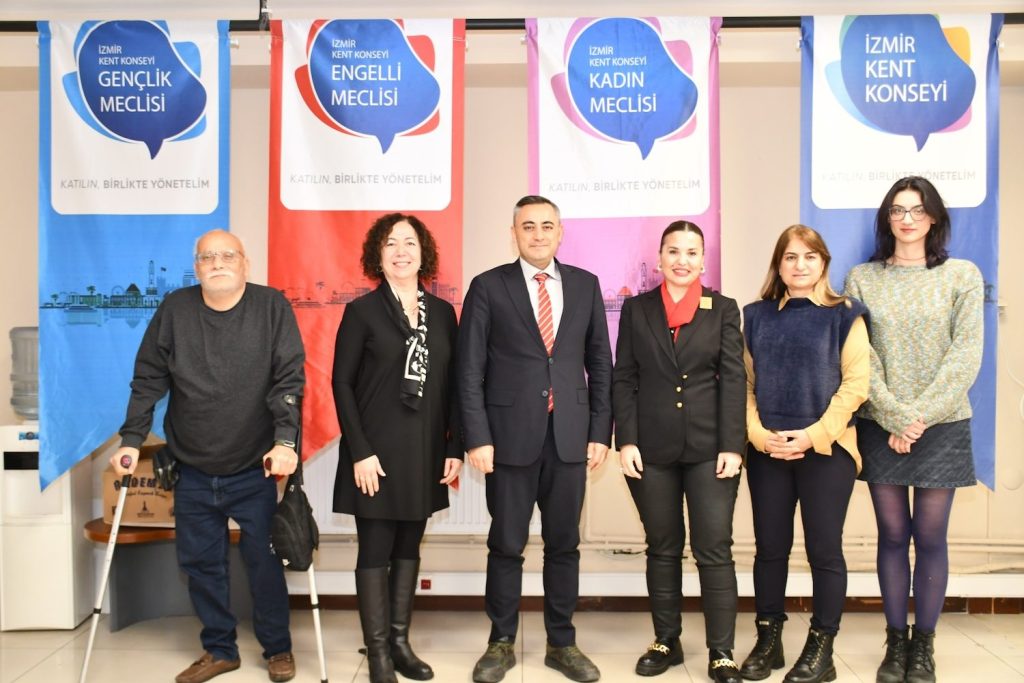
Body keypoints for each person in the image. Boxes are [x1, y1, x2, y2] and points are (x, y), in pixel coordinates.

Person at [110, 229, 304, 683]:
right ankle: (220, 649)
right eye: (206, 257)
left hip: (255, 465)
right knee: (201, 565)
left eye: (227, 255)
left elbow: (289, 379)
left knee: (264, 562)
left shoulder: (271, 306)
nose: (217, 263)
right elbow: (148, 378)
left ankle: (278, 648)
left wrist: (286, 442)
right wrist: (131, 439)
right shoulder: (175, 309)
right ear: (196, 267)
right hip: (192, 465)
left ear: (245, 263)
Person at [457, 195, 612, 683]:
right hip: (507, 439)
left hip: (569, 437)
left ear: (560, 233)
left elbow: (600, 364)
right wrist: (476, 436)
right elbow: (469, 370)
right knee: (506, 545)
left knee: (564, 545)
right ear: (514, 234)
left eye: (547, 226)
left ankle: (561, 643)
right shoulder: (488, 286)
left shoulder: (586, 285)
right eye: (528, 226)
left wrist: (600, 431)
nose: (538, 234)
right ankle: (500, 642)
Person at [845, 177, 983, 683]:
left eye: (918, 210)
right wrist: (895, 416)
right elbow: (861, 356)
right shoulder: (862, 278)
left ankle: (923, 645)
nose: (908, 219)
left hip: (941, 424)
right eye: (898, 210)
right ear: (887, 218)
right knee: (891, 534)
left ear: (934, 218)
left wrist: (917, 418)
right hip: (882, 422)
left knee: (929, 536)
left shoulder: (962, 275)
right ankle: (895, 642)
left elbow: (965, 355)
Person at [331, 213, 463, 683]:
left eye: (410, 242)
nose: (401, 251)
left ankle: (400, 643)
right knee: (375, 549)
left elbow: (455, 385)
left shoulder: (444, 314)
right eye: (391, 243)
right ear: (378, 255)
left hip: (425, 451)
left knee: (410, 546)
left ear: (424, 253)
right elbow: (342, 384)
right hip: (375, 453)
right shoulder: (362, 312)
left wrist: (455, 446)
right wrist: (360, 452)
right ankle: (379, 653)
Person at [612, 221, 745, 682]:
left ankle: (721, 652)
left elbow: (734, 379)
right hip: (650, 449)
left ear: (703, 260)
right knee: (663, 547)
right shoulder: (637, 309)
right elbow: (624, 377)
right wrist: (626, 439)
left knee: (714, 549)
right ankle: (665, 640)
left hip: (712, 450)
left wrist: (733, 445)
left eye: (691, 252)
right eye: (673, 251)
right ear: (660, 258)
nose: (682, 260)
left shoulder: (723, 309)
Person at [740, 225, 870, 683]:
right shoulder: (756, 316)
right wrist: (758, 436)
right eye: (791, 257)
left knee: (824, 551)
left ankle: (821, 649)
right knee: (769, 550)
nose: (800, 265)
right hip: (769, 450)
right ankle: (768, 639)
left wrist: (812, 436)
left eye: (810, 257)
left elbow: (856, 386)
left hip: (827, 450)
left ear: (823, 263)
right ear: (778, 265)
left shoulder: (846, 315)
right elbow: (745, 385)